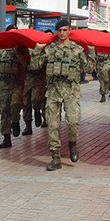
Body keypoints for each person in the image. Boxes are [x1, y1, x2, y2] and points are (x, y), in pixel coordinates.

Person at [29, 19, 95, 171]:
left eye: (65, 30)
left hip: (71, 91)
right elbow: (34, 66)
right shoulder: (50, 49)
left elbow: (90, 68)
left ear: (69, 30)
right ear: (56, 32)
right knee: (53, 125)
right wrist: (37, 50)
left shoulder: (77, 49)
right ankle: (55, 157)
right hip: (53, 91)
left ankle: (72, 143)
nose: (62, 33)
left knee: (73, 121)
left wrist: (91, 51)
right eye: (59, 30)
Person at [0, 25, 28, 148]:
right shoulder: (1, 50)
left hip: (17, 83)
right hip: (4, 84)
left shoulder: (22, 49)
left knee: (15, 105)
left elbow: (26, 64)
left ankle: (15, 120)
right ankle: (6, 137)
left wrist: (18, 52)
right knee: (4, 111)